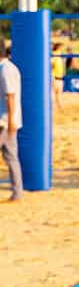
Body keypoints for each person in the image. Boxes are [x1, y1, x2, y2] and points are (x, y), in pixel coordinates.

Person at [1, 42, 22, 202]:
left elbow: (10, 96)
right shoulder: (10, 67)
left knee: (12, 157)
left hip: (4, 121)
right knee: (11, 157)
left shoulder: (5, 70)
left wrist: (10, 121)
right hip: (8, 120)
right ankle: (17, 192)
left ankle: (17, 192)